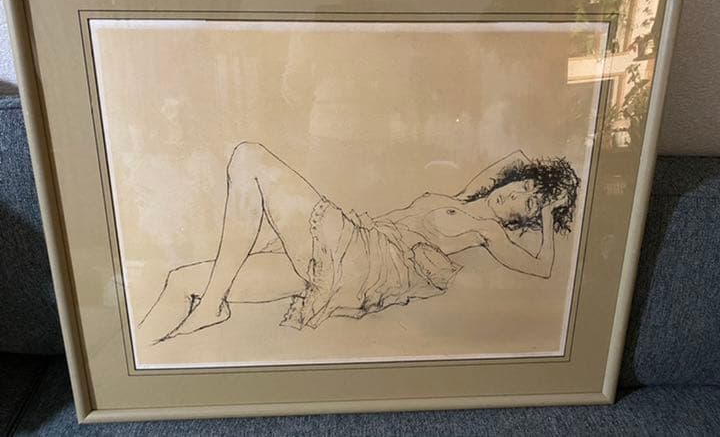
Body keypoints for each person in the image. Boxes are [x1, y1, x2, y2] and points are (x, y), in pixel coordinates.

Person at [145, 143, 580, 342]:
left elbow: (542, 267)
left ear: (525, 219)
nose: (515, 195)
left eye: (527, 202)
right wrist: (542, 180)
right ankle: (145, 360)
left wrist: (549, 210)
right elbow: (515, 157)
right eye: (523, 186)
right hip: (340, 258)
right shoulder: (463, 199)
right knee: (182, 280)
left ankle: (210, 307)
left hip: (358, 254)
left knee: (249, 157)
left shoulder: (488, 232)